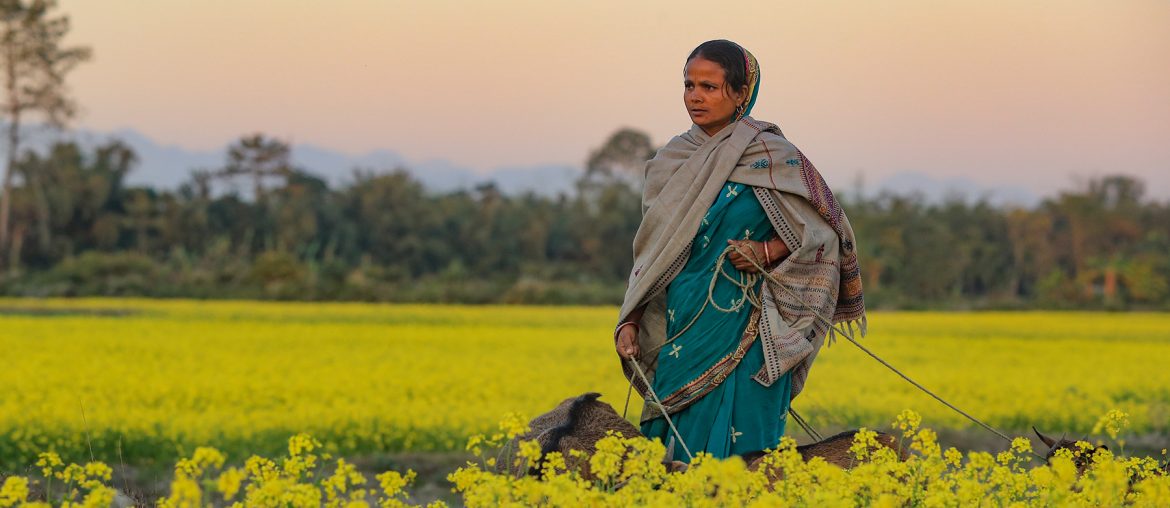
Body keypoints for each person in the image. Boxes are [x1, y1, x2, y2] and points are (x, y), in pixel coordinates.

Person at [614, 39, 867, 463]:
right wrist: (632, 319)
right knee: (671, 447)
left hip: (753, 326)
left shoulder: (773, 156)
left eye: (709, 87)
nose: (695, 96)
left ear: (740, 94)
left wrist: (766, 250)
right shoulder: (671, 161)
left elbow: (827, 233)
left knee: (750, 457)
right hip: (684, 322)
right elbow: (652, 255)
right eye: (689, 85)